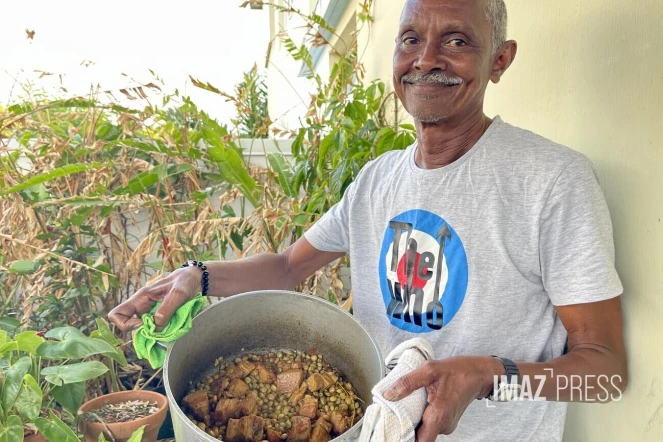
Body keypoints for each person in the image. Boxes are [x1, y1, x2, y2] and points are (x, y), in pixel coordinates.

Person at [110, 0, 628, 440]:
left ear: (500, 59)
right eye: (410, 39)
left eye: (456, 42)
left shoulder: (552, 181)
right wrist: (197, 275)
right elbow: (289, 267)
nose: (426, 60)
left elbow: (606, 374)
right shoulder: (377, 180)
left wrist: (490, 375)